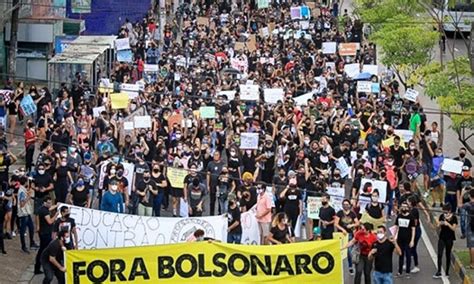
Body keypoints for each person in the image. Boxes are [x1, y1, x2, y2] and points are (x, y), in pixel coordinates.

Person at [335, 199, 360, 275]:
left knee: (349, 251)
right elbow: (336, 224)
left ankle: (350, 267)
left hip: (350, 234)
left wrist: (352, 225)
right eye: (344, 204)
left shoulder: (352, 214)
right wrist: (342, 229)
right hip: (341, 235)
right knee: (339, 250)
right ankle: (338, 266)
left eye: (347, 204)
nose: (345, 206)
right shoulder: (339, 213)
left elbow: (357, 223)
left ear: (349, 205)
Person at [35, 196, 58, 274]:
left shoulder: (42, 209)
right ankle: (42, 266)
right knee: (44, 250)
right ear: (44, 203)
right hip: (45, 233)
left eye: (50, 202)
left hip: (43, 232)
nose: (50, 204)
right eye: (48, 203)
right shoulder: (45, 211)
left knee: (42, 250)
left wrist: (57, 205)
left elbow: (50, 208)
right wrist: (55, 216)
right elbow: (50, 222)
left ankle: (38, 267)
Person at [433, 203, 457, 278]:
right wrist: (439, 224)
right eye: (443, 211)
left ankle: (447, 272)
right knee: (439, 254)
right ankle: (439, 271)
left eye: (446, 211)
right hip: (442, 237)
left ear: (449, 211)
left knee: (448, 254)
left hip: (449, 238)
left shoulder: (454, 218)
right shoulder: (441, 216)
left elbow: (453, 229)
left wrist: (448, 224)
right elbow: (437, 227)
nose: (444, 213)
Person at [393, 201, 416, 278]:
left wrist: (412, 240)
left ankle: (408, 272)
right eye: (402, 206)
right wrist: (394, 237)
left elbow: (413, 229)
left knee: (408, 256)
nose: (404, 208)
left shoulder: (411, 217)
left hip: (408, 240)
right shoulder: (399, 216)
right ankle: (399, 271)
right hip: (400, 239)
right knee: (400, 255)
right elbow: (396, 227)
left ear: (408, 208)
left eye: (405, 206)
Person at [18, 176, 38, 253]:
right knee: (23, 230)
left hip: (27, 212)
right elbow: (22, 204)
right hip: (24, 213)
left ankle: (31, 243)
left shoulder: (23, 190)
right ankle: (23, 246)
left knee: (31, 228)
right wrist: (28, 197)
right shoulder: (22, 191)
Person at [462, 188, 474, 268]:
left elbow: (459, 206)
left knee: (471, 246)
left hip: (470, 226)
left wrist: (462, 194)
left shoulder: (468, 204)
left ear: (470, 196)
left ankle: (472, 263)